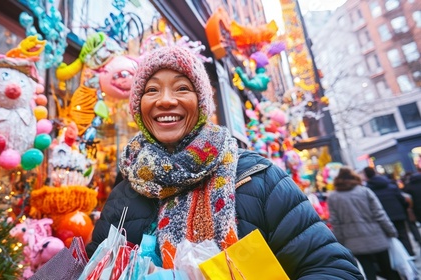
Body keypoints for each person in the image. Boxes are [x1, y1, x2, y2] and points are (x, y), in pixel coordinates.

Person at [86, 46, 363, 278]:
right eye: (152, 91)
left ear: (202, 103)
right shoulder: (125, 193)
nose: (166, 100)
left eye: (182, 88)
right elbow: (94, 269)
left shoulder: (259, 178)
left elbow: (333, 268)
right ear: (139, 107)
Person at [327, 167, 401, 280]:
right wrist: (391, 231)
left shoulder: (333, 197)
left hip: (353, 242)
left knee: (368, 273)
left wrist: (341, 242)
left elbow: (335, 222)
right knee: (388, 270)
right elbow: (380, 214)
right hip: (376, 237)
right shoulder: (364, 191)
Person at [363, 166, 415, 256]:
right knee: (403, 234)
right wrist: (404, 209)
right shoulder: (389, 185)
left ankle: (401, 256)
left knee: (391, 238)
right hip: (398, 213)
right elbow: (401, 198)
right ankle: (410, 254)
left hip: (384, 216)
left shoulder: (368, 189)